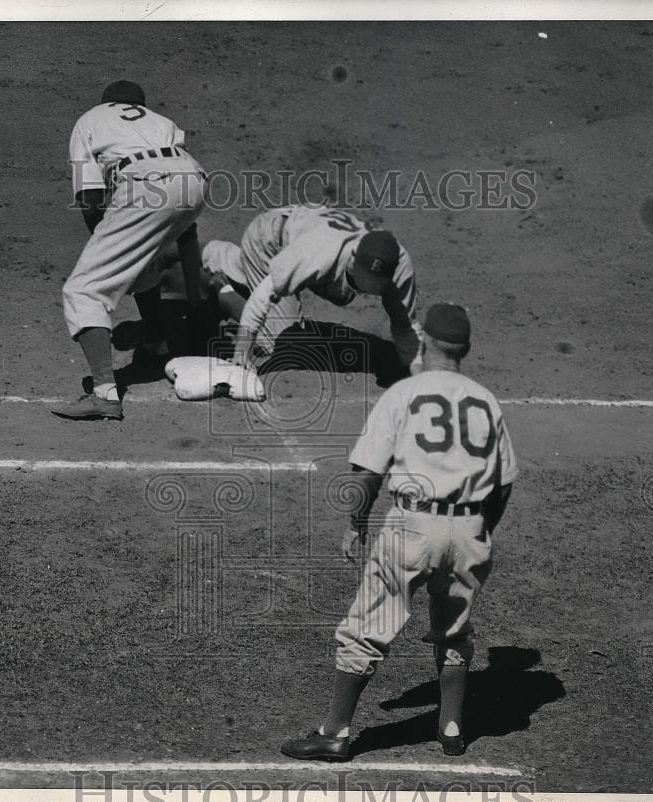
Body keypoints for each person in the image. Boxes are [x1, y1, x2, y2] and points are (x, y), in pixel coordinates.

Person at [281, 303, 518, 761]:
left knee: (367, 625)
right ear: (465, 349)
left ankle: (334, 731)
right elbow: (503, 484)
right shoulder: (486, 400)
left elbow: (368, 473)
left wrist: (357, 523)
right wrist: (479, 530)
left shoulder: (403, 393)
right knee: (454, 628)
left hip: (412, 524)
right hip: (469, 527)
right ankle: (450, 727)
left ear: (424, 341)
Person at [52, 80, 207, 421]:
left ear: (106, 102)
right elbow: (188, 236)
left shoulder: (90, 119)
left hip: (144, 182)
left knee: (83, 289)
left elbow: (90, 197)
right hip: (195, 177)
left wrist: (104, 246)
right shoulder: (160, 122)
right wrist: (194, 301)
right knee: (137, 261)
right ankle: (156, 343)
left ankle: (105, 394)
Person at [200, 205, 424, 371]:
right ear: (354, 258)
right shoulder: (318, 256)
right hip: (269, 242)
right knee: (276, 342)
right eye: (369, 281)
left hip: (301, 238)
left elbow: (406, 329)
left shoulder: (398, 265)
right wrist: (240, 353)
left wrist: (421, 382)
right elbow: (263, 296)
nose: (373, 290)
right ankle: (222, 281)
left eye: (379, 284)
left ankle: (241, 265)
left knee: (288, 279)